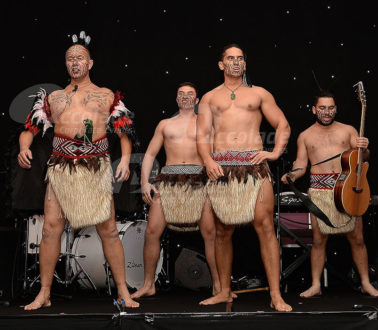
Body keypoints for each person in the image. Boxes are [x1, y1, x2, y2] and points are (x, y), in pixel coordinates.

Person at [18, 31, 139, 310]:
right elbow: (30, 129)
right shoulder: (53, 97)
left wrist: (125, 159)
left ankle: (123, 292)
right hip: (61, 167)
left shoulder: (106, 94)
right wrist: (25, 147)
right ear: (66, 64)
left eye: (80, 58)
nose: (75, 62)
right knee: (50, 229)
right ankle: (45, 292)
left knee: (108, 229)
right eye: (70, 58)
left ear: (90, 63)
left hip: (95, 166)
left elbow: (124, 132)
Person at [197, 44, 292, 312]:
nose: (235, 62)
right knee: (223, 232)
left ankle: (275, 294)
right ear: (221, 64)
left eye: (240, 59)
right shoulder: (209, 98)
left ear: (245, 64)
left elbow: (283, 124)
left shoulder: (259, 94)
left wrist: (274, 153)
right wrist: (207, 160)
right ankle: (225, 292)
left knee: (265, 228)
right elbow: (202, 134)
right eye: (230, 58)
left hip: (253, 166)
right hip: (222, 168)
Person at [281, 90, 378, 298]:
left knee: (357, 238)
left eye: (330, 108)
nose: (326, 112)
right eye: (322, 108)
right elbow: (301, 165)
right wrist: (292, 175)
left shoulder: (348, 130)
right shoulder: (305, 135)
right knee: (318, 240)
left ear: (336, 109)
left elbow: (362, 158)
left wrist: (366, 148)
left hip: (347, 189)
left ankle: (365, 283)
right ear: (314, 110)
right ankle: (316, 284)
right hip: (319, 192)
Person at [131, 82, 222, 299]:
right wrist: (145, 181)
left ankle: (219, 286)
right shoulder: (165, 124)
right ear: (176, 98)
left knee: (210, 234)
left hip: (199, 180)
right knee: (152, 231)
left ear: (197, 100)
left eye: (190, 94)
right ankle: (148, 284)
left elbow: (218, 152)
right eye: (181, 93)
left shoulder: (205, 123)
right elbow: (150, 154)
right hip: (168, 181)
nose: (185, 97)